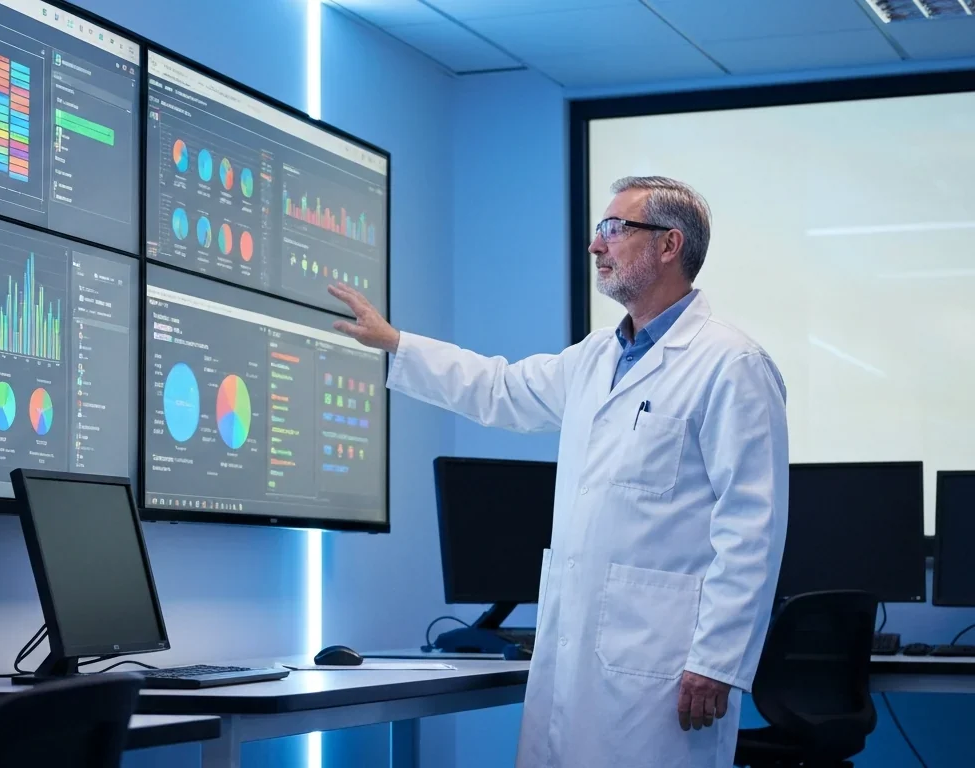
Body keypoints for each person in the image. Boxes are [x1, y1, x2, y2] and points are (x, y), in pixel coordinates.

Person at [330, 176, 788, 768]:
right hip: (574, 658)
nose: (597, 246)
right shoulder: (596, 356)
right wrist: (397, 343)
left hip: (664, 666)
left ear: (670, 245)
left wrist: (718, 659)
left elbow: (752, 525)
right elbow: (500, 389)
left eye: (614, 230)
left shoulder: (732, 364)